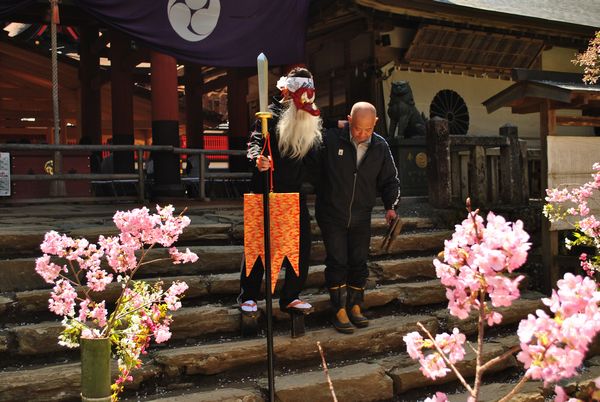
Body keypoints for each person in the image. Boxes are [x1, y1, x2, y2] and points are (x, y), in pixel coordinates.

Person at [238, 67, 325, 317]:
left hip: (294, 195)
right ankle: (249, 295)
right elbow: (254, 143)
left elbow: (316, 159)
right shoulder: (269, 117)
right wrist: (258, 160)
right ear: (287, 92)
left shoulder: (310, 118)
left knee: (300, 247)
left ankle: (291, 296)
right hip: (265, 190)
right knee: (258, 246)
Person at [315, 101, 400, 334]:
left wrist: (390, 207)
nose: (362, 135)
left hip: (362, 213)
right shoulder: (331, 139)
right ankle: (338, 308)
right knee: (337, 260)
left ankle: (355, 305)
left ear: (376, 124)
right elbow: (309, 127)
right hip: (332, 211)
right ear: (349, 120)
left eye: (368, 130)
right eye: (357, 128)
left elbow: (390, 180)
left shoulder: (381, 146)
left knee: (359, 260)